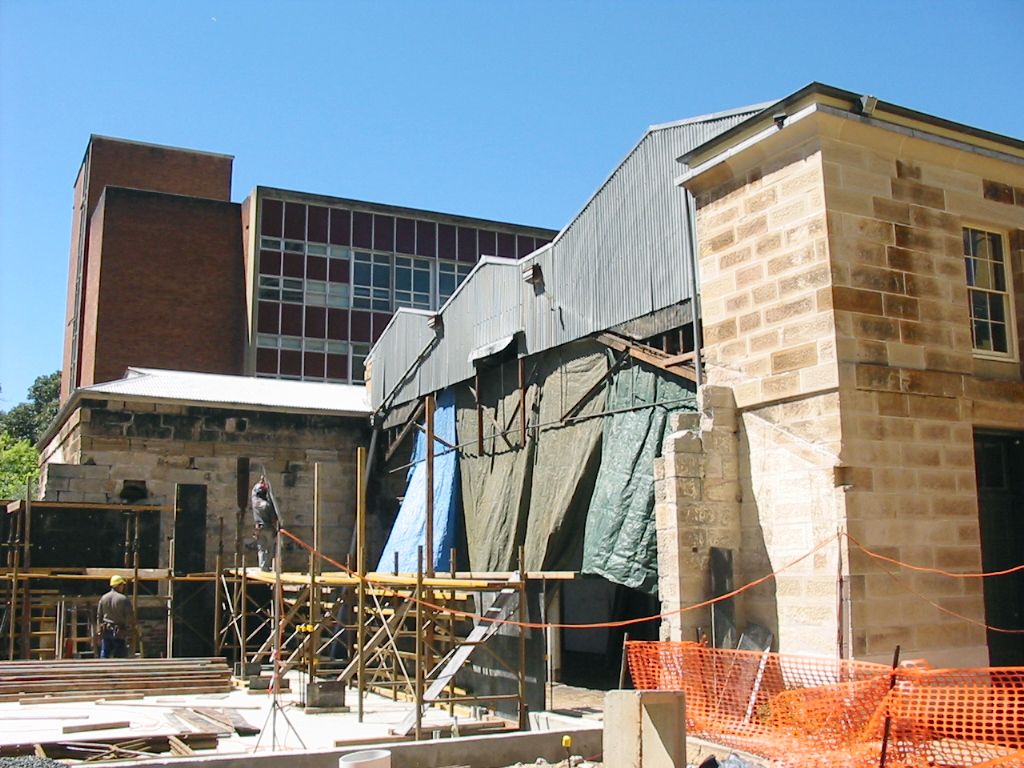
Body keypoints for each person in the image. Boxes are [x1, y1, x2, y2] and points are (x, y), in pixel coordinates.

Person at [97, 574, 135, 658]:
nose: (123, 587)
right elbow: (130, 617)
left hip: (106, 630)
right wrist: (131, 630)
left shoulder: (103, 598)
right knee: (120, 657)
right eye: (122, 585)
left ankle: (103, 670)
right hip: (119, 632)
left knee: (105, 655)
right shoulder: (123, 599)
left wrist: (99, 630)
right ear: (119, 585)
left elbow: (99, 615)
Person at [251, 476, 279, 572]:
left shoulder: (254, 502)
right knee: (270, 548)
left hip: (258, 528)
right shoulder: (267, 505)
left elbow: (253, 491)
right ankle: (267, 566)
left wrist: (260, 482)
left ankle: (262, 566)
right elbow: (273, 518)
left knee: (261, 548)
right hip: (268, 527)